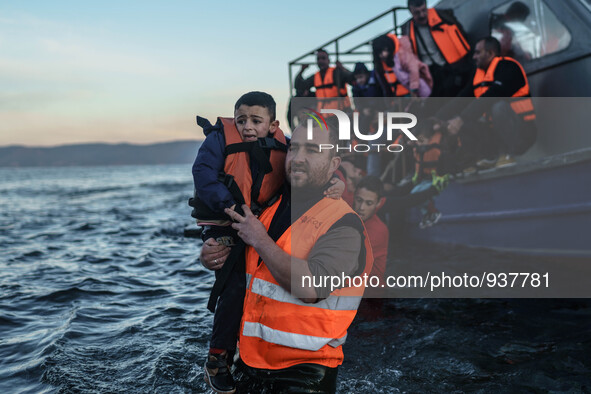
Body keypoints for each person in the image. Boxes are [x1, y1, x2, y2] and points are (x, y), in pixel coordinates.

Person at [200, 120, 373, 393]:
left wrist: (258, 238)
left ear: (333, 163)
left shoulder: (345, 225)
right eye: (294, 148)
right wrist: (212, 252)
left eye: (313, 150)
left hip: (304, 375)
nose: (299, 158)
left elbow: (310, 287)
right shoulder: (268, 204)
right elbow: (245, 268)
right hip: (247, 361)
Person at [189, 91, 288, 394]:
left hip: (259, 222)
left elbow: (306, 169)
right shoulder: (220, 138)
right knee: (233, 285)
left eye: (256, 121)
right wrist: (230, 206)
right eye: (241, 119)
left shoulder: (286, 145)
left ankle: (255, 349)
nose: (246, 126)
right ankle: (217, 358)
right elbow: (203, 173)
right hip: (224, 220)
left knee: (269, 280)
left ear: (273, 125)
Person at [440, 36, 536, 168]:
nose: (474, 57)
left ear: (490, 53)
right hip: (495, 133)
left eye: (478, 52)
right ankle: (489, 156)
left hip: (522, 132)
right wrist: (435, 119)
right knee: (463, 116)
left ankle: (508, 154)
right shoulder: (478, 75)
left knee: (498, 107)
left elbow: (493, 94)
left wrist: (461, 118)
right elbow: (461, 100)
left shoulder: (509, 67)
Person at [402, 0, 473, 97]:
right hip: (431, 73)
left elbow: (462, 36)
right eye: (417, 13)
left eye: (423, 10)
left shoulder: (444, 16)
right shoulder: (407, 29)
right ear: (410, 12)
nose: (422, 15)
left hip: (451, 67)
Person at [353, 176, 388, 287]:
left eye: (369, 203)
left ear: (378, 203)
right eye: (359, 200)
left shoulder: (378, 231)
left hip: (371, 295)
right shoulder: (349, 214)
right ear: (354, 196)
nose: (361, 208)